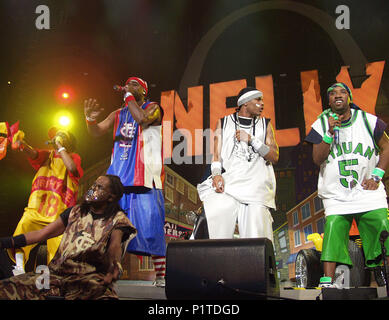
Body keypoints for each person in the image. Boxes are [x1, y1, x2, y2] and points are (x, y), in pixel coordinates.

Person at [84, 76, 166, 286]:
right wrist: (90, 120)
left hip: (146, 178)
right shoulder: (118, 113)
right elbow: (96, 132)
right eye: (127, 84)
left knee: (152, 227)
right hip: (119, 179)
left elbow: (141, 119)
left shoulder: (153, 108)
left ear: (144, 91)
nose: (129, 86)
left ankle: (161, 275)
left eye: (135, 84)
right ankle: (111, 273)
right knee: (113, 230)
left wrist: (129, 96)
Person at [305, 82, 389, 287]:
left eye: (342, 92)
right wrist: (329, 133)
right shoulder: (321, 123)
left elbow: (386, 147)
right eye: (332, 93)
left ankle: (380, 270)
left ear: (349, 97)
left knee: (381, 227)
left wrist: (377, 176)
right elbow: (317, 158)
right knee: (333, 230)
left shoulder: (369, 120)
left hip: (367, 190)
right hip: (336, 193)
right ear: (329, 101)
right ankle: (328, 281)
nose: (337, 95)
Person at [0, 174, 136, 300]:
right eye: (93, 185)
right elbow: (41, 234)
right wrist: (6, 242)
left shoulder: (117, 220)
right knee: (7, 288)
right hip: (56, 275)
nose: (92, 189)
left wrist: (114, 268)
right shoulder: (74, 212)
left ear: (111, 197)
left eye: (99, 187)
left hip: (88, 279)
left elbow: (115, 247)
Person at [197, 87, 279, 241]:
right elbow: (216, 155)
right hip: (230, 185)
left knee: (256, 241)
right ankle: (210, 263)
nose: (262, 104)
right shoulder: (223, 122)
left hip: (256, 189)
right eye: (258, 100)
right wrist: (216, 175)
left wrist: (252, 140)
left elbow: (274, 157)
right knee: (211, 220)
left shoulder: (265, 124)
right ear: (245, 103)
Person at [8, 128, 83, 275]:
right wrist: (22, 144)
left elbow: (72, 169)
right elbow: (33, 153)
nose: (58, 136)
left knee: (59, 246)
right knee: (23, 227)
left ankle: (55, 277)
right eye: (57, 135)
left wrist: (60, 147)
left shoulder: (73, 157)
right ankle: (19, 267)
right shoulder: (47, 156)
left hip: (58, 214)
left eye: (62, 135)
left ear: (68, 142)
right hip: (37, 209)